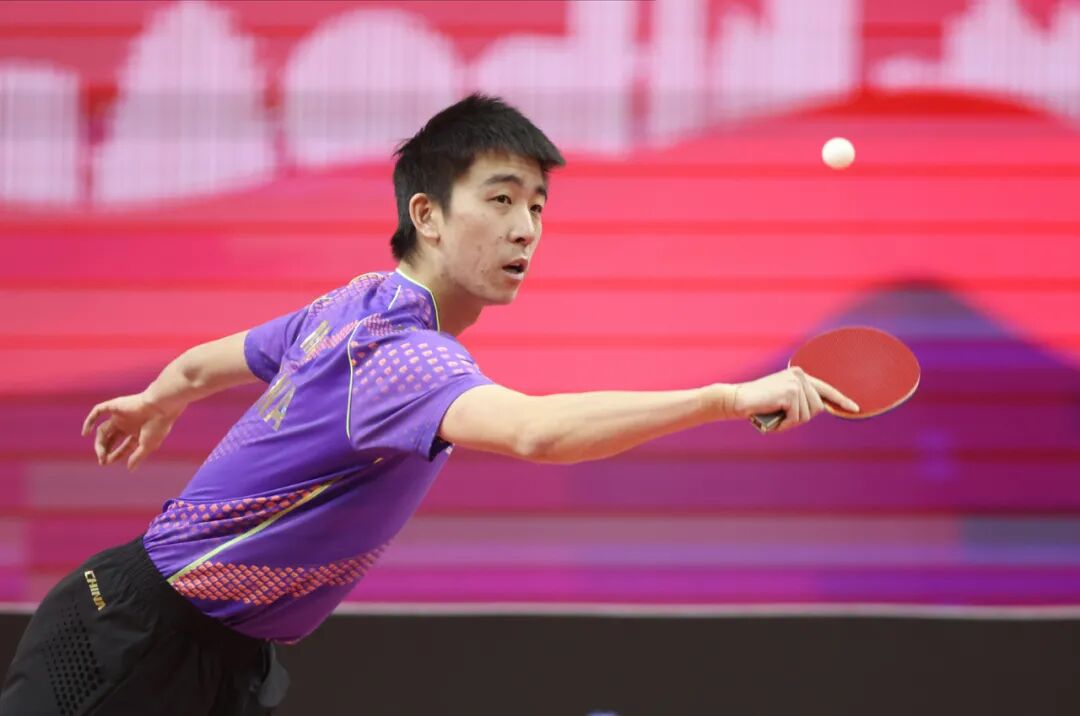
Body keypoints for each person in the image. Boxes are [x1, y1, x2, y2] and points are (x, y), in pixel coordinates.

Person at [0, 94, 856, 715]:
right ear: (429, 215)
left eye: (537, 207)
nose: (526, 229)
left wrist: (154, 400)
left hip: (211, 651)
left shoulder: (354, 302)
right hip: (139, 643)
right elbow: (536, 433)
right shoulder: (405, 357)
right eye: (500, 199)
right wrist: (726, 396)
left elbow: (200, 369)